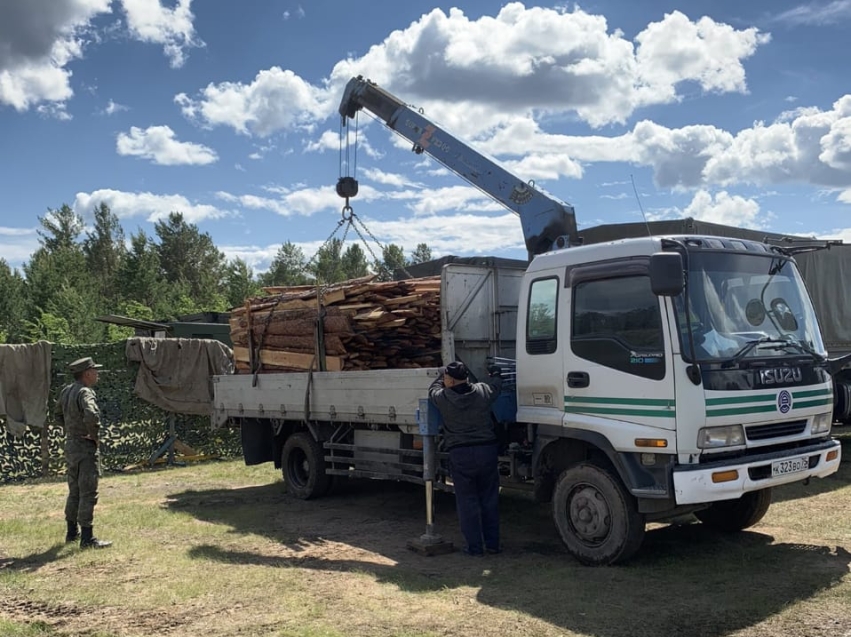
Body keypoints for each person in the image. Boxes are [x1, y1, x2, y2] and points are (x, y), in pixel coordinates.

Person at [429, 361, 502, 556]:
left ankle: (474, 548)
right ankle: (493, 544)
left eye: (446, 377)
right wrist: (495, 373)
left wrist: (439, 376)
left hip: (460, 454)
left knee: (467, 502)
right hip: (486, 450)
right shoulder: (482, 391)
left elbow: (432, 390)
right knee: (489, 499)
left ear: (450, 381)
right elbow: (496, 386)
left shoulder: (444, 397)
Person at [55, 357, 112, 549]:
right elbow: (92, 415)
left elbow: (57, 415)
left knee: (74, 491)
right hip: (85, 448)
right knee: (88, 491)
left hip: (71, 446)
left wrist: (71, 430)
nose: (97, 374)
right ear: (87, 373)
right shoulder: (85, 392)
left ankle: (72, 533)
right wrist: (93, 435)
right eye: (95, 371)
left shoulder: (66, 391)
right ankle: (87, 538)